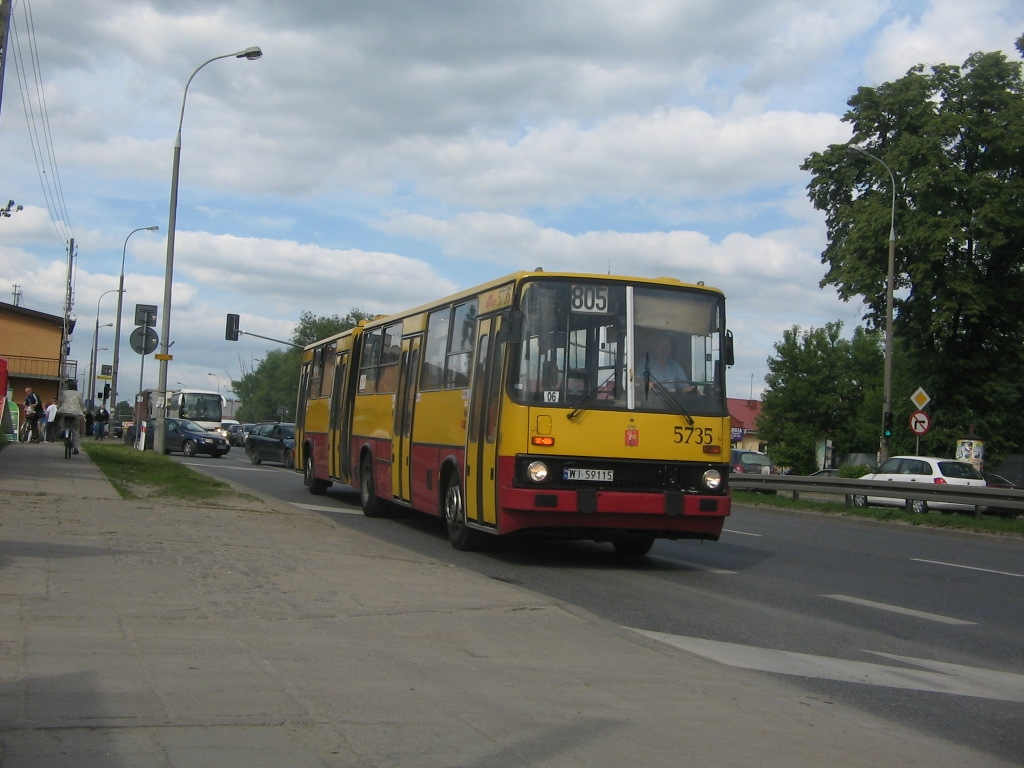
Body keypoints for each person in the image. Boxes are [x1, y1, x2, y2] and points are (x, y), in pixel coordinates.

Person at [56, 380, 86, 455]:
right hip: (75, 413)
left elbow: (60, 402)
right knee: (75, 431)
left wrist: (58, 409)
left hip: (65, 411)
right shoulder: (79, 394)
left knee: (62, 419)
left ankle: (63, 430)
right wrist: (83, 410)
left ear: (68, 387)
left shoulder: (64, 393)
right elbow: (82, 404)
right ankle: (75, 448)